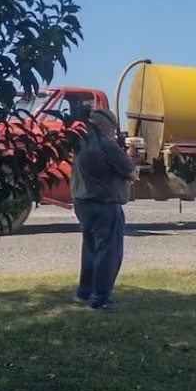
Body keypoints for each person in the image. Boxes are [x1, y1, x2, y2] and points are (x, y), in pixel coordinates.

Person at [71, 108, 138, 310]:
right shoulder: (107, 146)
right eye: (112, 128)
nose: (113, 132)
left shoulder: (81, 143)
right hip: (104, 204)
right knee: (108, 253)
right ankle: (100, 299)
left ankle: (85, 292)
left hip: (82, 203)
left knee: (90, 249)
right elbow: (131, 173)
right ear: (104, 125)